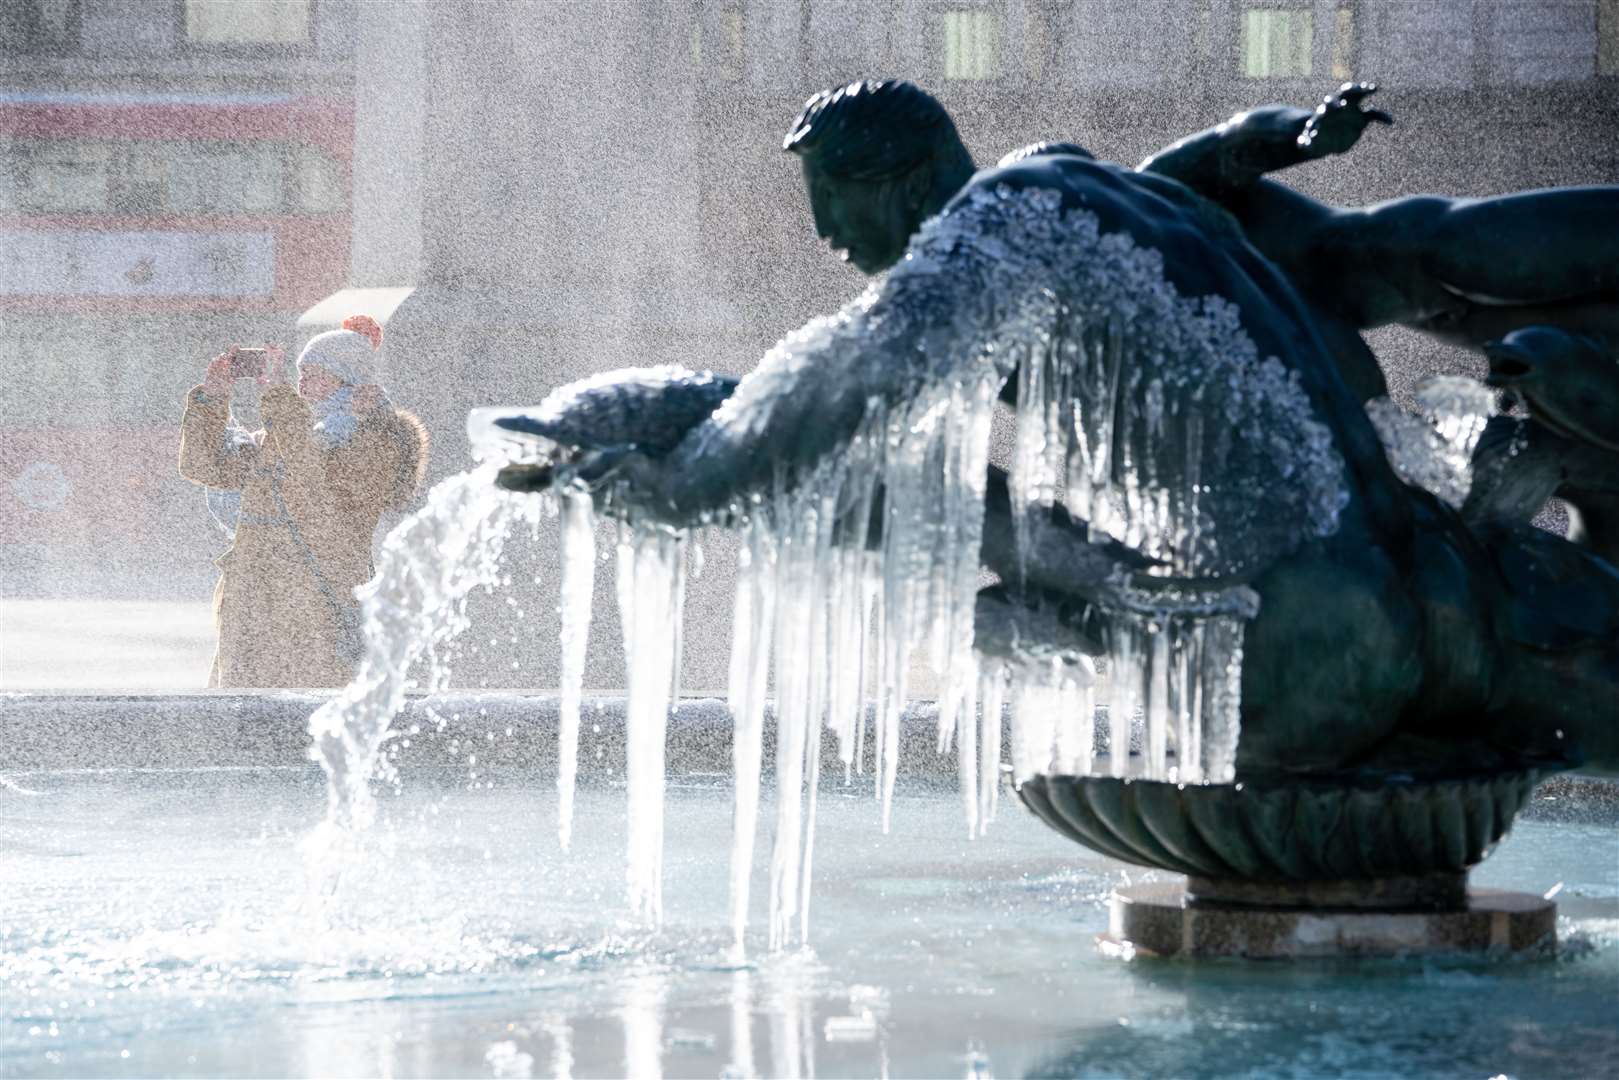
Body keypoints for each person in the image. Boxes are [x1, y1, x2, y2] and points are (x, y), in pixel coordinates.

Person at [578, 80, 1619, 775]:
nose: (821, 235)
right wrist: (1272, 142)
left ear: (897, 181)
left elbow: (833, 386)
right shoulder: (1070, 182)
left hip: (1288, 652)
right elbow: (1199, 173)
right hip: (1412, 582)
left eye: (829, 201)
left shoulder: (982, 242)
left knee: (915, 510)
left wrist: (688, 488)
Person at [178, 316, 429, 688]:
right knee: (242, 725)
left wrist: (279, 399)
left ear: (349, 381)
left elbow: (309, 487)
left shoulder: (376, 443)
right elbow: (205, 467)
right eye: (300, 371)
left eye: (316, 373)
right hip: (253, 614)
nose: (301, 381)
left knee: (306, 725)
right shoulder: (282, 435)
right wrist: (213, 396)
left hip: (313, 616)